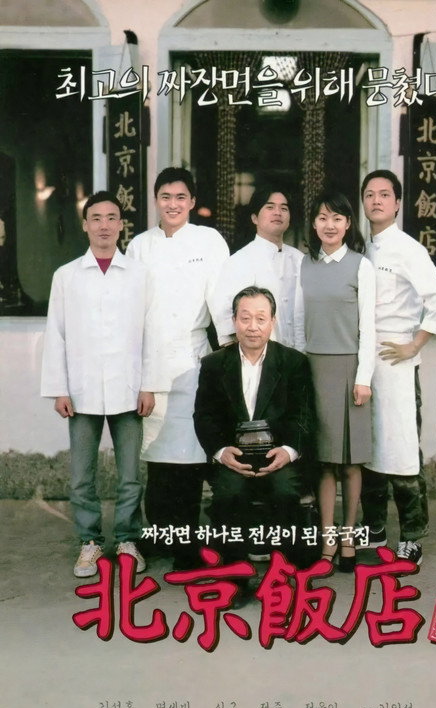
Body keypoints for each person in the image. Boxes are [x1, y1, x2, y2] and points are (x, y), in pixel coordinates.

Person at [41, 191, 155, 577]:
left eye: (111, 218)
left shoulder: (139, 275)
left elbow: (150, 333)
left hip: (129, 389)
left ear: (121, 225)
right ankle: (89, 542)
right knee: (81, 476)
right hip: (82, 389)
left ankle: (127, 539)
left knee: (130, 475)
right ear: (85, 225)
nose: (104, 225)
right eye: (96, 218)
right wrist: (59, 388)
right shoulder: (67, 276)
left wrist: (148, 385)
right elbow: (56, 335)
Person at [126, 167, 229, 569]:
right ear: (156, 200)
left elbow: (222, 303)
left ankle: (186, 546)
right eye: (166, 197)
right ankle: (161, 535)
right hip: (150, 363)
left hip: (193, 359)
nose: (173, 204)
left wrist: (229, 358)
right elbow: (131, 312)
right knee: (157, 460)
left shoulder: (209, 241)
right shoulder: (139, 246)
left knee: (189, 459)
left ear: (192, 201)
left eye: (181, 197)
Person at [193, 286, 316, 592]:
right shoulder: (214, 364)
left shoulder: (293, 362)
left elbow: (303, 415)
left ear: (273, 321)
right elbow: (204, 416)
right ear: (234, 321)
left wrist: (288, 451)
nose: (253, 326)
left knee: (285, 490)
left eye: (261, 318)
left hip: (279, 455)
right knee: (228, 493)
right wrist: (221, 452)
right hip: (234, 457)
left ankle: (284, 576)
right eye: (245, 318)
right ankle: (234, 578)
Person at [360, 169, 436, 564]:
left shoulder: (407, 248)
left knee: (400, 450)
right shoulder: (361, 247)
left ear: (398, 203)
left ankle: (412, 535)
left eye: (385, 194)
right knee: (368, 447)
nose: (376, 200)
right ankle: (374, 529)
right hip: (364, 360)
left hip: (395, 360)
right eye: (370, 194)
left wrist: (414, 343)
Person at [296, 191, 376, 571]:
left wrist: (364, 378)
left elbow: (369, 328)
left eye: (337, 218)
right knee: (324, 462)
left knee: (350, 462)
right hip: (313, 367)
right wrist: (298, 370)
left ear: (348, 224)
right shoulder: (305, 264)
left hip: (349, 369)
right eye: (323, 218)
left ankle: (348, 536)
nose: (330, 225)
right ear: (314, 224)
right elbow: (298, 322)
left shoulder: (361, 266)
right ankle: (327, 539)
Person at [212, 186, 304, 349]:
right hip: (257, 355)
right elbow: (224, 314)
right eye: (270, 207)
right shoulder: (239, 260)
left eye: (284, 208)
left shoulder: (300, 259)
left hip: (299, 354)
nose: (278, 212)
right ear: (254, 218)